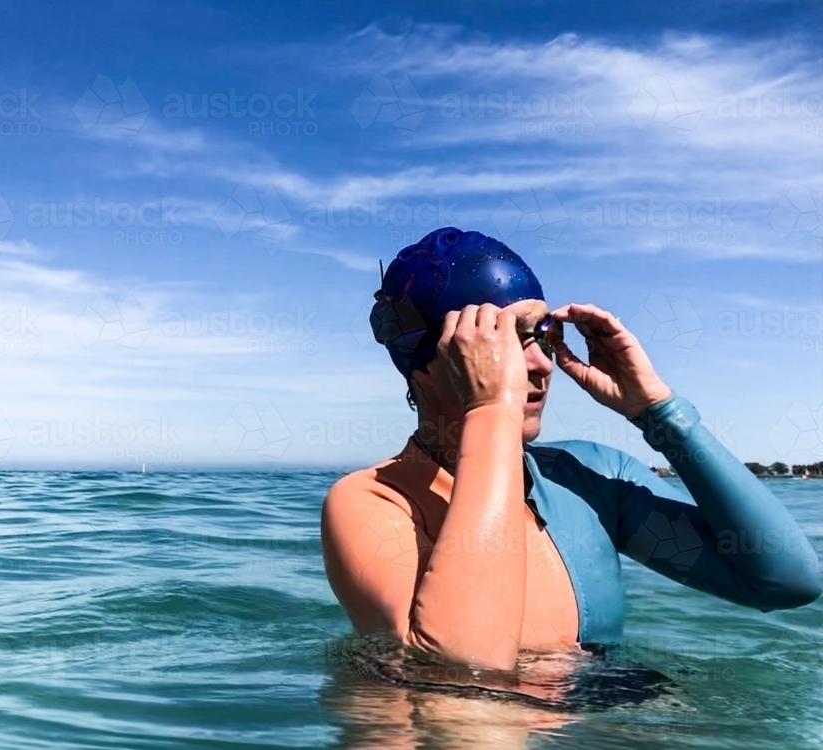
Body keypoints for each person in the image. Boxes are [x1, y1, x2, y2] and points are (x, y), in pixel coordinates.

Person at [320, 227, 821, 672]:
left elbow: (785, 582)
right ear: (428, 362)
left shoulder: (588, 480)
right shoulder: (372, 505)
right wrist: (492, 407)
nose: (542, 363)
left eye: (543, 333)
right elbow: (465, 675)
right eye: (508, 341)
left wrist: (659, 414)